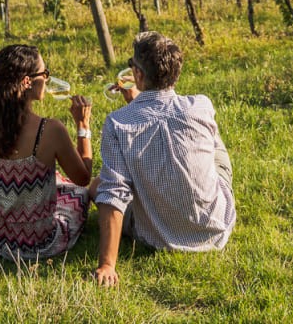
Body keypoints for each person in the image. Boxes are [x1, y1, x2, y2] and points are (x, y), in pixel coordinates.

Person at [92, 31, 235, 287]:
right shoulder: (201, 106)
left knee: (101, 184)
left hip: (155, 236)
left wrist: (107, 264)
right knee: (213, 146)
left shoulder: (118, 123)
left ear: (138, 74)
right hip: (215, 227)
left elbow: (114, 192)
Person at [0, 44, 94, 262]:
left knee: (46, 182)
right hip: (39, 243)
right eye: (44, 73)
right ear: (27, 81)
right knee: (78, 196)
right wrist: (83, 126)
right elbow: (83, 178)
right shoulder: (50, 130)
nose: (47, 78)